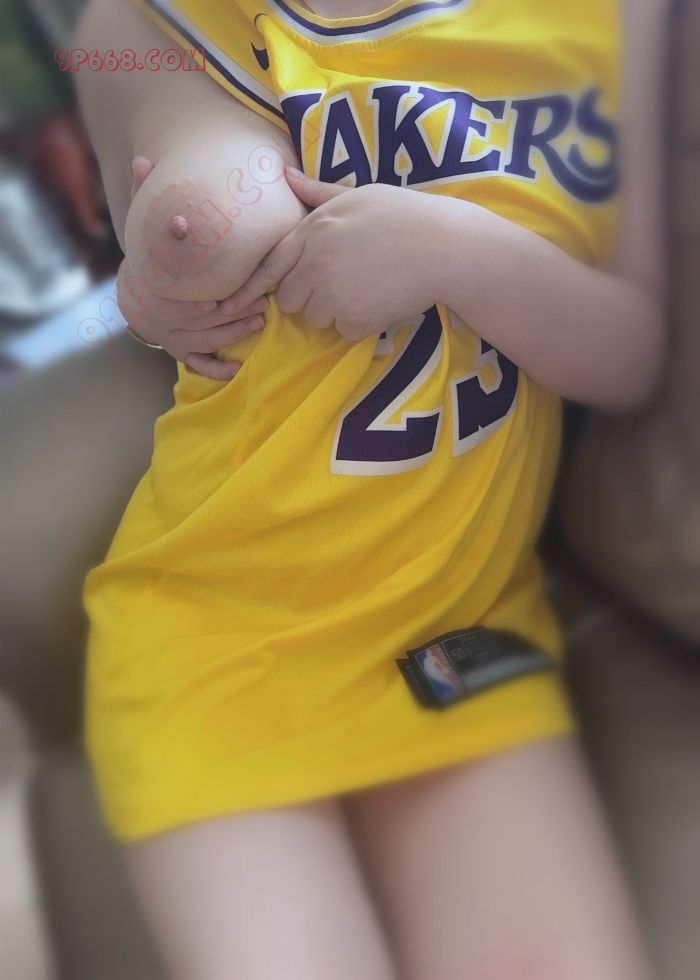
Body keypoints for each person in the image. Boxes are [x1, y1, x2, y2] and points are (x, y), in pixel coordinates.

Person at [75, 0, 669, 977]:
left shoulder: (620, 17)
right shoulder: (152, 19)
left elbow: (636, 352)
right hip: (216, 625)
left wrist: (457, 253)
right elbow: (152, 247)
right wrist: (151, 289)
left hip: (458, 625)